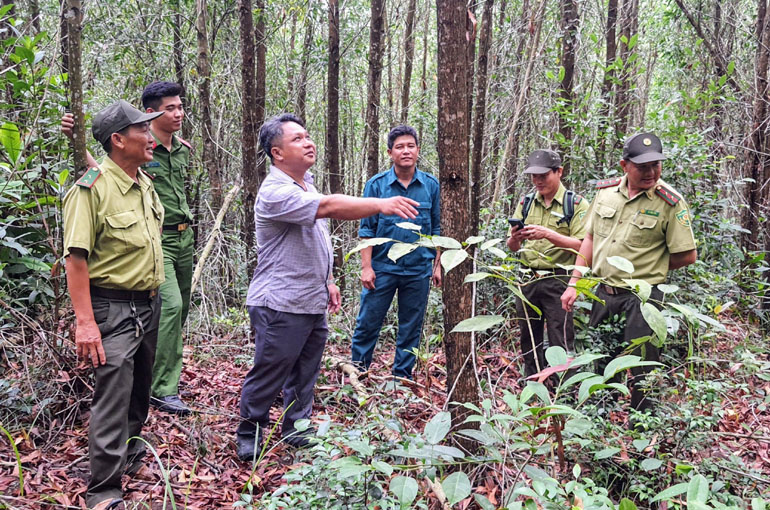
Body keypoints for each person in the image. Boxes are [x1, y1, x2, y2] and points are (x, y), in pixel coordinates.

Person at [236, 113, 421, 462]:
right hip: (280, 301)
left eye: (308, 136)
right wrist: (381, 204)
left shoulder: (306, 183)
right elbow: (328, 208)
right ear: (277, 153)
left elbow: (315, 237)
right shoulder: (275, 192)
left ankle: (296, 428)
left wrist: (330, 281)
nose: (309, 143)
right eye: (298, 139)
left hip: (311, 299)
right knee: (270, 370)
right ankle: (251, 430)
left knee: (306, 371)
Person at [63, 81, 194, 416]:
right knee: (171, 308)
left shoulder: (179, 149)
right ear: (151, 114)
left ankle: (156, 379)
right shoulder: (131, 151)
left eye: (180, 107)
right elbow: (107, 177)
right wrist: (78, 143)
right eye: (170, 108)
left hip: (181, 237)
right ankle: (164, 389)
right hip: (147, 243)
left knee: (175, 309)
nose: (177, 113)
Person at [62, 100, 165, 509]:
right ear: (119, 140)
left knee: (140, 389)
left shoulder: (141, 182)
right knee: (113, 398)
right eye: (143, 130)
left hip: (148, 304)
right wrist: (85, 322)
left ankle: (132, 454)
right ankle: (103, 491)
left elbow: (111, 174)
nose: (151, 136)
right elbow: (76, 260)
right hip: (112, 309)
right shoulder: (88, 189)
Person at [560, 132, 697, 411]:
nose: (651, 172)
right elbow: (590, 239)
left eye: (656, 165)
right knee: (602, 363)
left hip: (643, 299)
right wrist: (574, 282)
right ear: (624, 165)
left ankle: (641, 434)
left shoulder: (669, 202)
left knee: (642, 369)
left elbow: (687, 255)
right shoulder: (605, 193)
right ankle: (600, 423)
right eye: (642, 166)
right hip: (604, 294)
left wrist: (651, 265)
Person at [349, 125, 442, 380]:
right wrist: (366, 267)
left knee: (411, 327)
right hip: (382, 269)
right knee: (368, 323)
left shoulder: (431, 186)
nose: (406, 151)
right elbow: (366, 230)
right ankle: (359, 374)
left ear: (418, 150)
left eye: (410, 146)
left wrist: (437, 265)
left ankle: (402, 378)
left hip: (418, 270)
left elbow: (436, 228)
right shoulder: (377, 185)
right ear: (390, 153)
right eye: (399, 147)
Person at [506, 149, 589, 379]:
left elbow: (583, 245)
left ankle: (562, 390)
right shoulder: (526, 203)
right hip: (527, 279)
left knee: (560, 338)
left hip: (558, 280)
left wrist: (548, 234)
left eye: (543, 175)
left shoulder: (576, 204)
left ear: (559, 172)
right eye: (534, 176)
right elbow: (512, 246)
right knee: (528, 338)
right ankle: (533, 386)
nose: (538, 181)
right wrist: (515, 237)